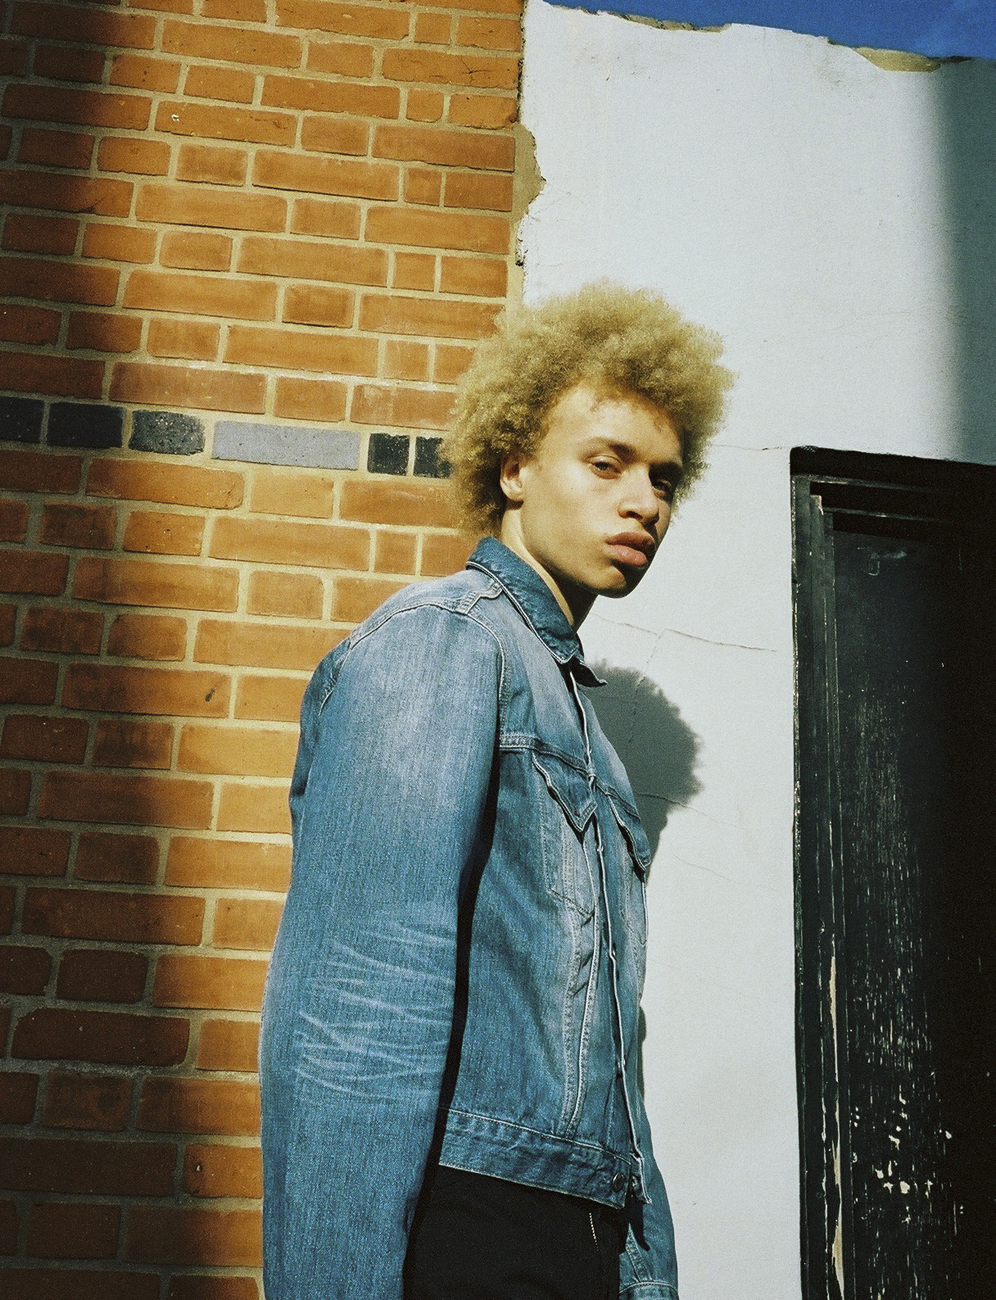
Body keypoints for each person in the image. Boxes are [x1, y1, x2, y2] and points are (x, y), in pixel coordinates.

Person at [259, 282, 731, 1300]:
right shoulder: (445, 640)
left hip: (572, 1245)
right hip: (466, 1232)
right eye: (606, 463)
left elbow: (610, 1064)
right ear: (513, 465)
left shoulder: (589, 744)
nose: (644, 499)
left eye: (663, 477)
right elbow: (359, 1003)